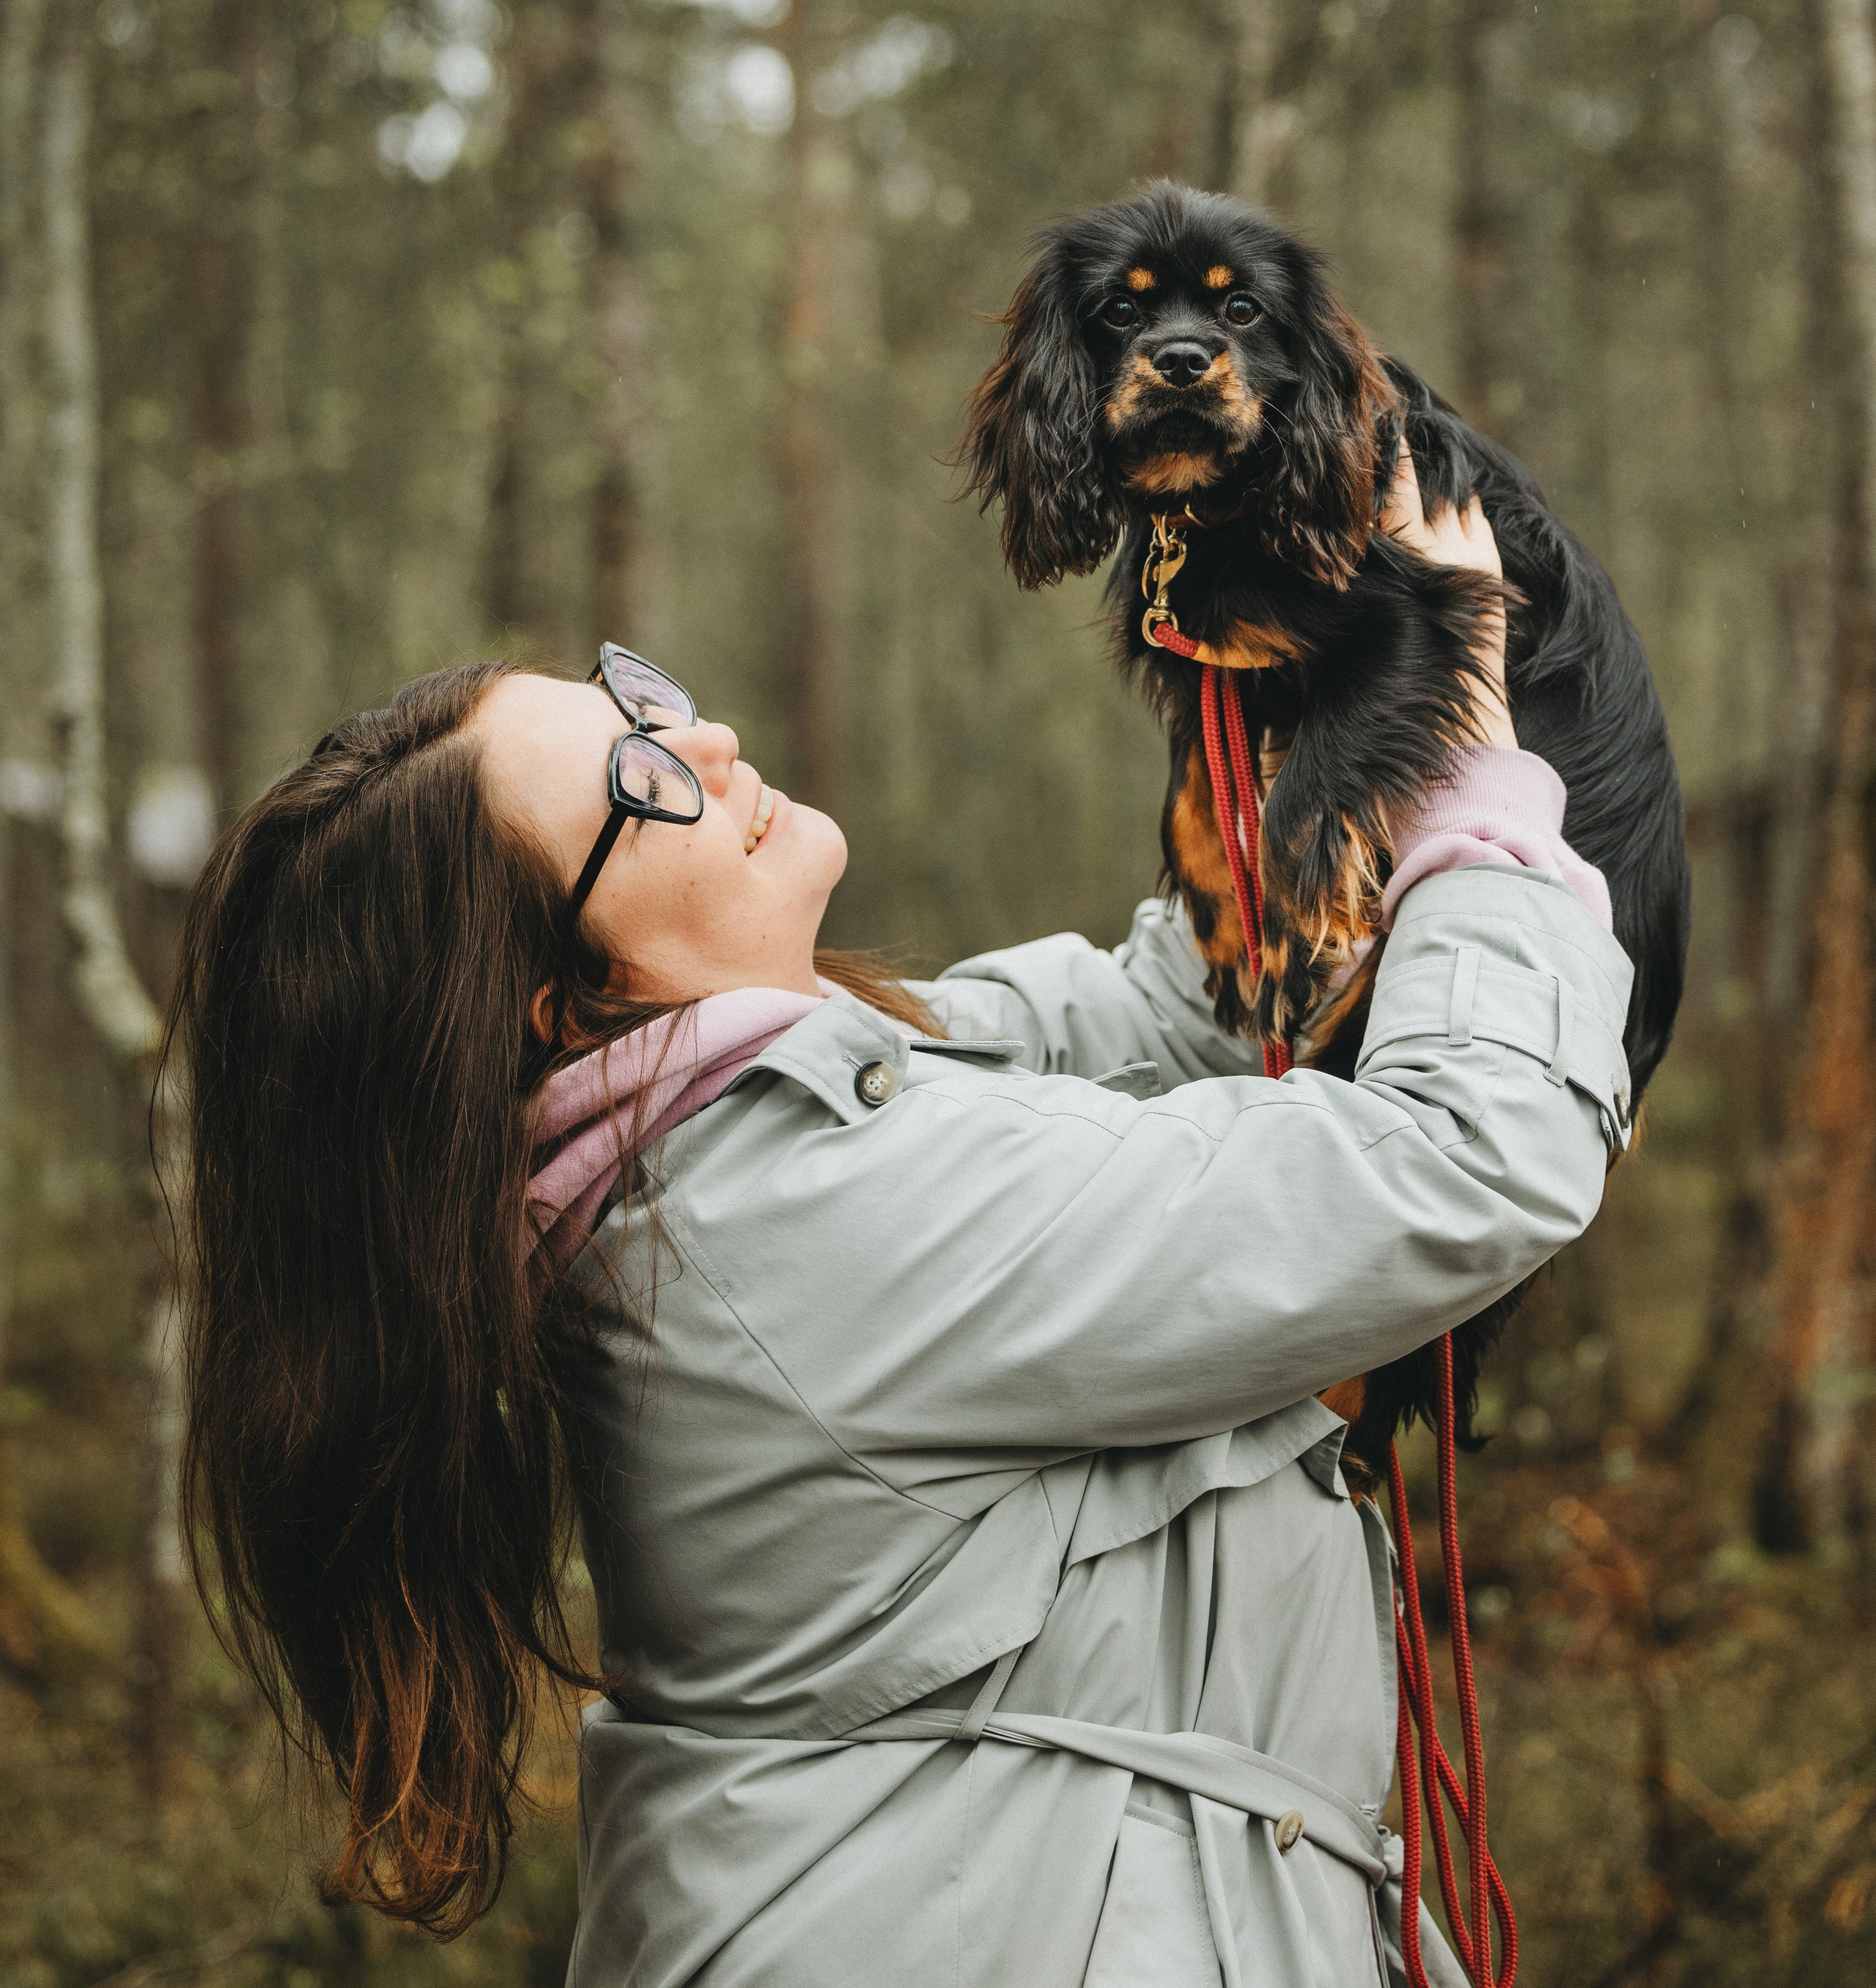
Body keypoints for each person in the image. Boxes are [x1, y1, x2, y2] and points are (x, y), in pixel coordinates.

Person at [175, 460, 1633, 1988]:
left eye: (637, 699)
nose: (704, 739)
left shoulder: (758, 1131)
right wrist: (1464, 753)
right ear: (558, 1001)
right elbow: (1471, 1153)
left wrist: (1314, 729)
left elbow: (1168, 1019)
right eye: (639, 780)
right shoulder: (789, 1220)